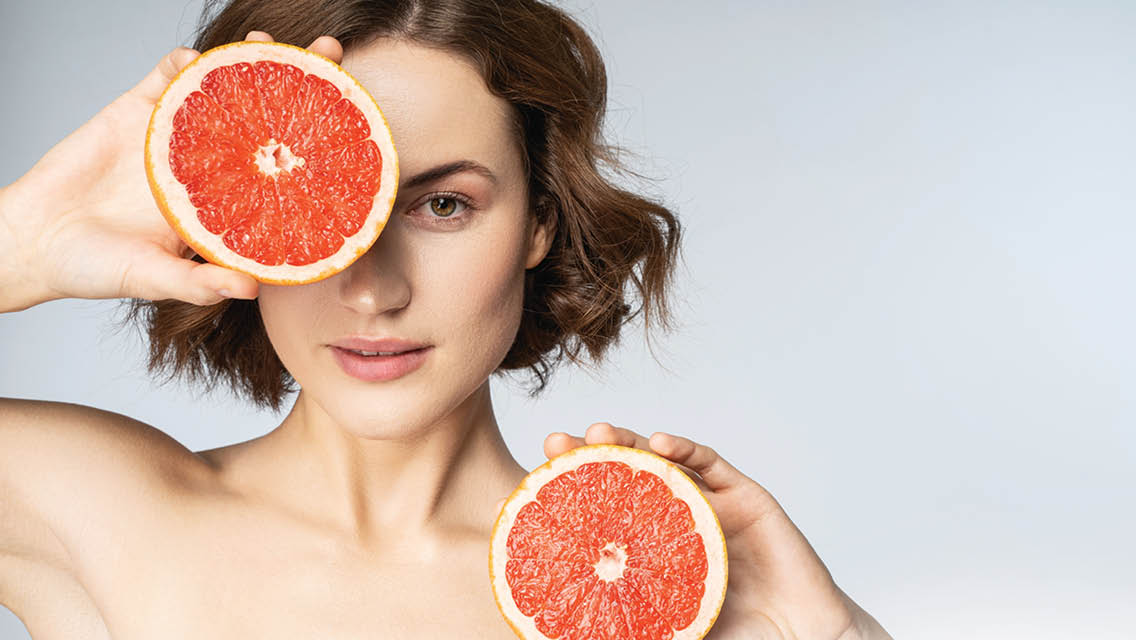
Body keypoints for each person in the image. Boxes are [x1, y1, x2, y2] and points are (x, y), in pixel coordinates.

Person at [0, 0, 892, 637]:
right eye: (326, 204)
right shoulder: (102, 510)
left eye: (443, 207)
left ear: (539, 219)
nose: (373, 289)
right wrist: (24, 240)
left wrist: (827, 635)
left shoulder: (616, 600)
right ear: (238, 224)